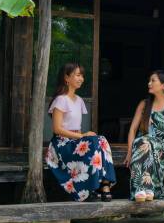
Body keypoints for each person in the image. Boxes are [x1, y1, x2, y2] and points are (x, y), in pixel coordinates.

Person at [45, 62, 116, 202]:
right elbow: (57, 129)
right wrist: (82, 136)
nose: (81, 78)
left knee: (101, 139)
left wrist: (82, 137)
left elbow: (77, 128)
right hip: (61, 144)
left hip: (76, 141)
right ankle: (92, 188)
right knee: (94, 141)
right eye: (77, 75)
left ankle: (105, 184)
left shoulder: (79, 101)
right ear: (66, 77)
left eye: (82, 75)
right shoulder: (61, 100)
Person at [124, 70, 164, 202]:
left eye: (153, 81)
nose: (149, 83)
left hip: (162, 148)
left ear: (163, 85)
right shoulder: (144, 104)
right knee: (143, 141)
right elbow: (132, 129)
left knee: (144, 142)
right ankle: (146, 188)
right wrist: (129, 152)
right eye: (149, 80)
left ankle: (143, 188)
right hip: (142, 145)